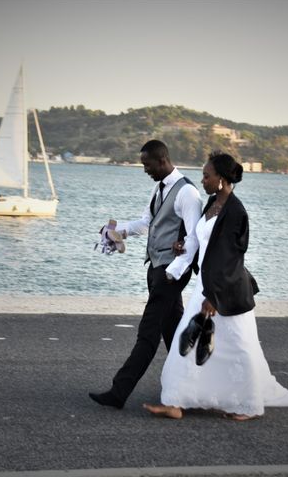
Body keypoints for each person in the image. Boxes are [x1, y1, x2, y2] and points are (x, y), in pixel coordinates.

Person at [144, 151, 288, 420]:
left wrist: (214, 296)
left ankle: (249, 406)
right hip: (206, 285)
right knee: (187, 345)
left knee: (240, 348)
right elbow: (204, 241)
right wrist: (183, 249)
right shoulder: (213, 203)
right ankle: (175, 402)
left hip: (226, 292)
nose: (202, 181)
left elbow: (230, 258)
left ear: (222, 179)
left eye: (207, 176)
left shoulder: (236, 212)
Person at [89, 139, 203, 409]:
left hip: (170, 273)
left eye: (147, 164)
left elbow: (193, 239)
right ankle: (193, 388)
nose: (145, 170)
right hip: (156, 268)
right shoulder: (159, 188)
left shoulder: (188, 193)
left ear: (161, 161)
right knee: (174, 332)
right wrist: (118, 230)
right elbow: (147, 222)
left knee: (147, 333)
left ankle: (119, 391)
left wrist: (172, 274)